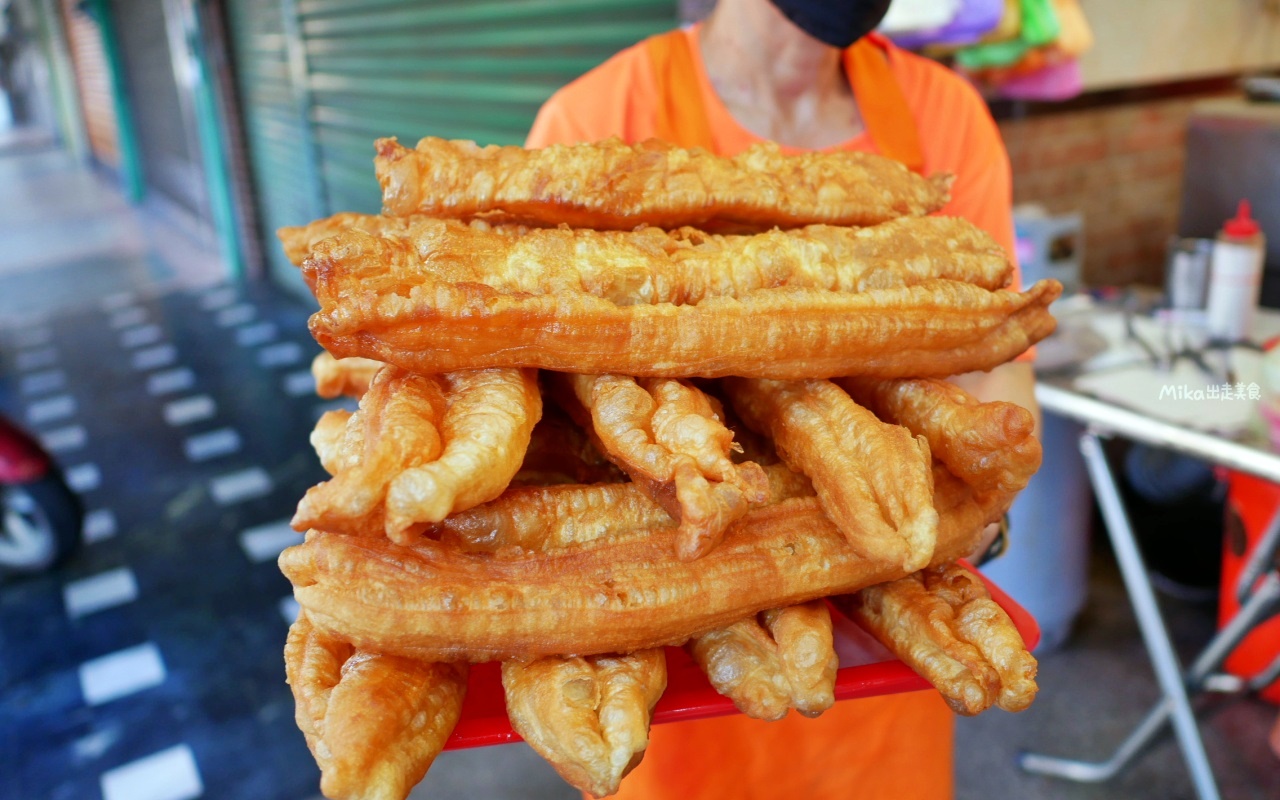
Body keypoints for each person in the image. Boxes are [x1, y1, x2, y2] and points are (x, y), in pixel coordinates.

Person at [526, 1, 1039, 797]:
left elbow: (998, 364)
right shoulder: (595, 119)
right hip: (673, 687)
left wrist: (977, 513)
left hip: (887, 660)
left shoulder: (942, 113)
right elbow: (540, 414)